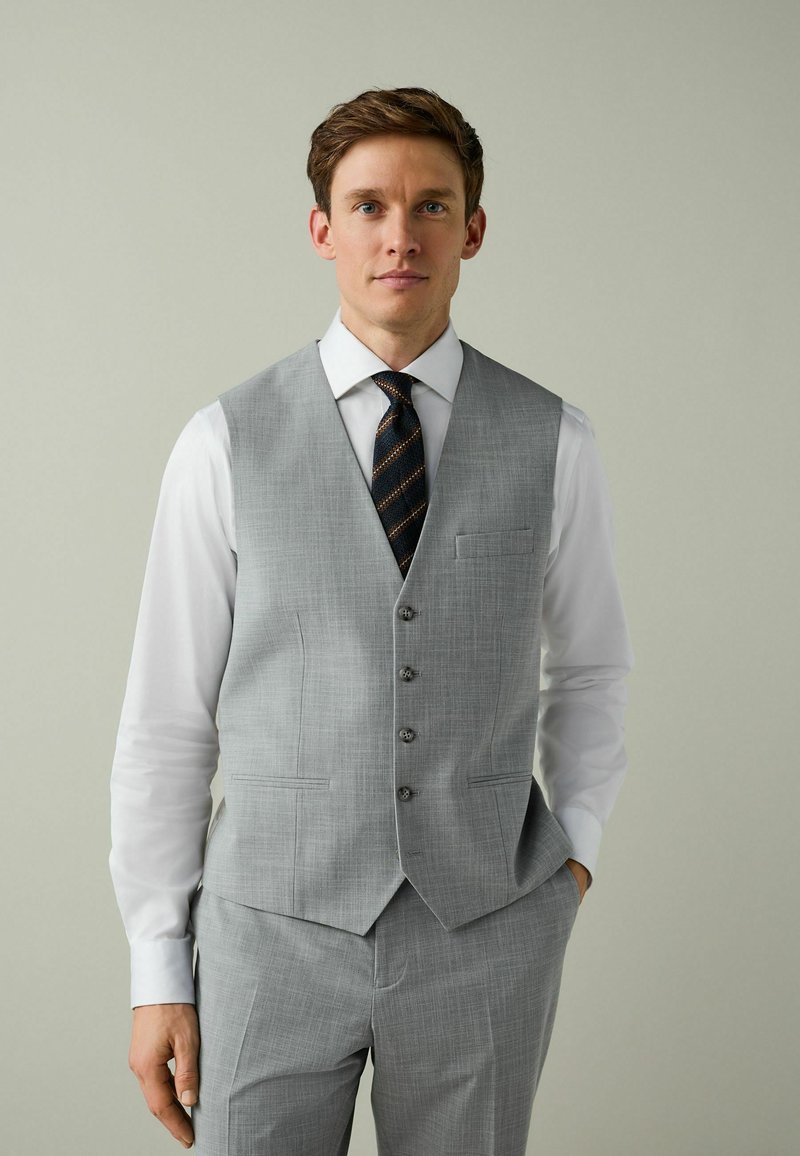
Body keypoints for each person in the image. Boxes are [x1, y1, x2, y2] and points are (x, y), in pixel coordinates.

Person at [110, 86, 634, 1155]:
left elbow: (589, 671)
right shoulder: (223, 441)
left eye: (431, 206)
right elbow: (167, 715)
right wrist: (158, 964)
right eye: (369, 207)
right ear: (323, 230)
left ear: (472, 230)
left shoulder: (553, 439)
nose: (401, 236)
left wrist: (569, 858)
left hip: (485, 928)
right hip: (269, 933)